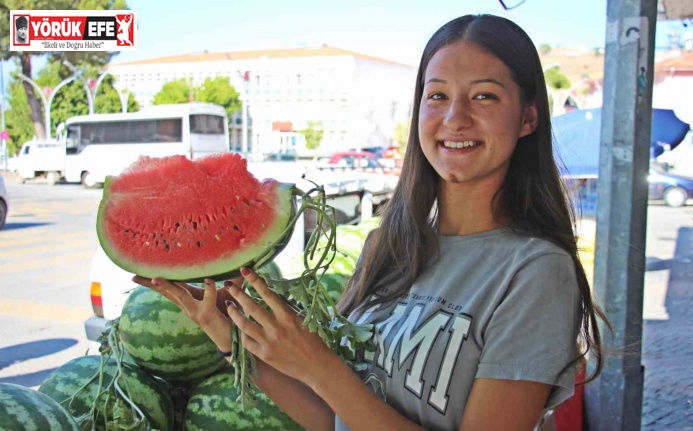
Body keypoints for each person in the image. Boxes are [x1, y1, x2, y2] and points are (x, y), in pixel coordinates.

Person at [136, 14, 607, 431]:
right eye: (437, 95)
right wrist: (229, 335)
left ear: (527, 118)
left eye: (484, 96)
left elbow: (331, 383)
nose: (454, 117)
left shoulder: (535, 272)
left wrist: (321, 367)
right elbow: (332, 419)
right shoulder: (389, 246)